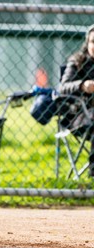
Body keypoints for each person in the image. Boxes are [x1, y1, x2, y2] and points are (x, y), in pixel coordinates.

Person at [58, 24, 94, 177]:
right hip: (80, 114)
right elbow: (62, 87)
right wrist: (82, 85)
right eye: (93, 42)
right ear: (87, 44)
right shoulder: (78, 61)